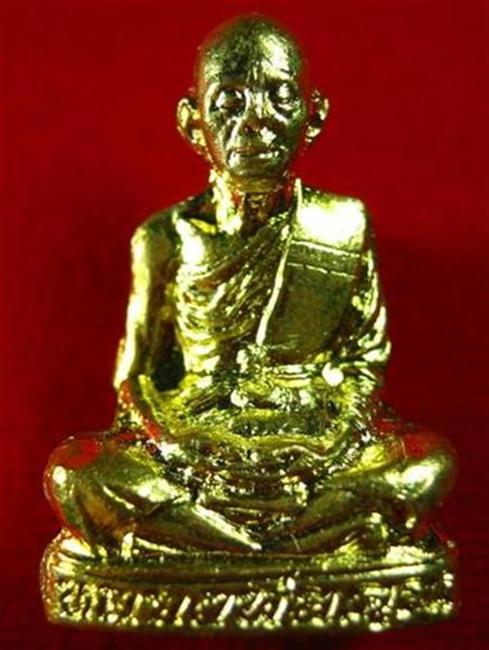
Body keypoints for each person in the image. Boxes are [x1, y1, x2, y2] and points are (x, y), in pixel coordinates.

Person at [44, 15, 455, 559]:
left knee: (426, 461)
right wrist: (177, 447)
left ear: (313, 115)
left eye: (280, 97)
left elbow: (363, 360)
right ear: (193, 122)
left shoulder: (341, 226)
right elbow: (136, 376)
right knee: (74, 471)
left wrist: (332, 440)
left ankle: (219, 542)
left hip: (312, 436)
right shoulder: (164, 237)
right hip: (194, 439)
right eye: (229, 102)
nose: (255, 122)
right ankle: (282, 543)